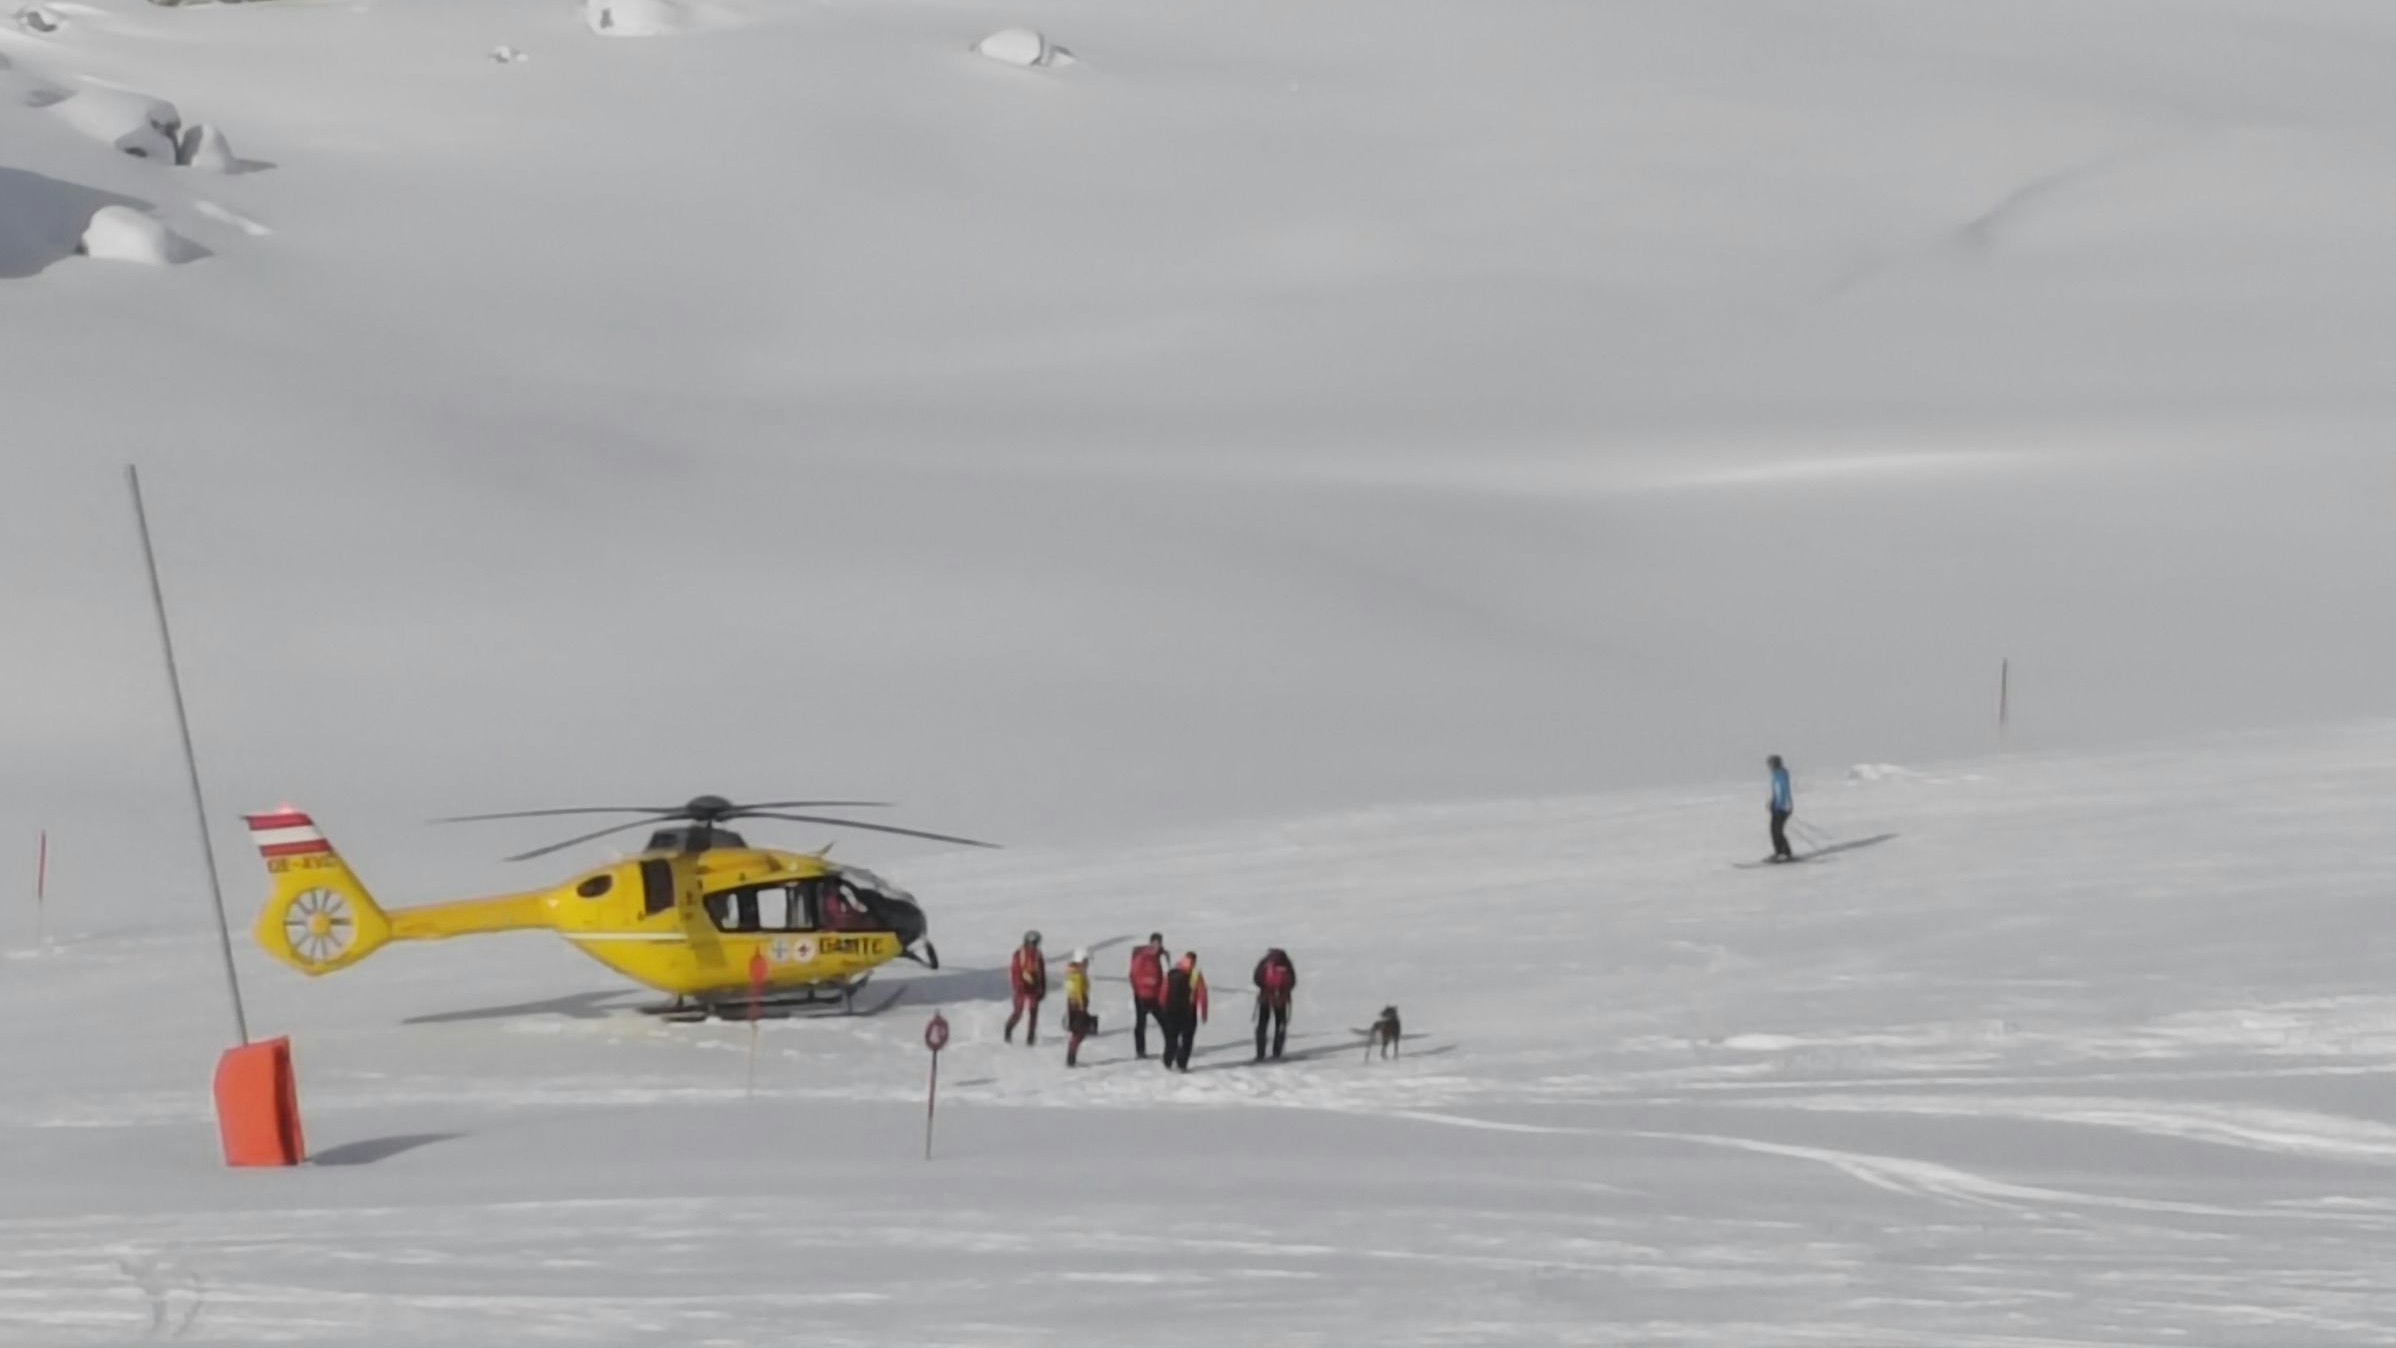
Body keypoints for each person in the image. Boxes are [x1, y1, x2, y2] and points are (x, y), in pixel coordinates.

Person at [1160, 950, 1209, 1072]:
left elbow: (1163, 992)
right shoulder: (1196, 974)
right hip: (1188, 1012)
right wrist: (1203, 1012)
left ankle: (1167, 1061)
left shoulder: (1172, 972)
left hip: (1171, 1010)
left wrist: (1162, 1007)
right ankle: (1181, 1064)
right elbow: (1202, 995)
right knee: (1187, 1039)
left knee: (1171, 1038)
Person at [1127, 933, 1168, 1059]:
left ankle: (1171, 1047)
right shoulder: (1142, 956)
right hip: (1142, 995)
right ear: (1150, 943)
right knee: (1141, 1023)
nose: (1156, 946)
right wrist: (1140, 989)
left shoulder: (1161, 956)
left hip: (1156, 996)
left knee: (1165, 1022)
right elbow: (1133, 974)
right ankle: (1140, 1051)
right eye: (1154, 943)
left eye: (1159, 943)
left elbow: (1163, 975)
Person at [1004, 929, 1046, 1045]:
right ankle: (1008, 1030)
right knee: (1018, 1012)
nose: (1035, 946)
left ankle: (1030, 1038)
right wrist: (1019, 986)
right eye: (1034, 943)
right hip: (1021, 989)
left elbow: (1041, 973)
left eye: (1037, 943)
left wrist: (1042, 988)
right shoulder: (1019, 954)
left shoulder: (1038, 955)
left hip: (1033, 988)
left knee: (1033, 1013)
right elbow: (1015, 972)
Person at [1063, 947, 1094, 1067]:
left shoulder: (1073, 972)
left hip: (1074, 1004)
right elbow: (1078, 989)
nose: (1088, 964)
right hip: (1077, 1005)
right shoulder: (1078, 974)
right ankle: (1071, 1058)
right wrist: (1081, 1005)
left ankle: (1071, 1057)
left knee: (1079, 1031)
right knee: (1079, 1032)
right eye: (1086, 961)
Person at [1767, 754, 1795, 862]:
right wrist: (1772, 802)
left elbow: (1784, 791)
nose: (1769, 767)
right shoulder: (1775, 775)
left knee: (1778, 831)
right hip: (1777, 807)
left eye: (1770, 764)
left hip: (1783, 807)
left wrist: (1787, 805)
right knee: (1774, 830)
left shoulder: (1782, 774)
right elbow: (1776, 792)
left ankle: (1786, 853)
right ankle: (1778, 852)